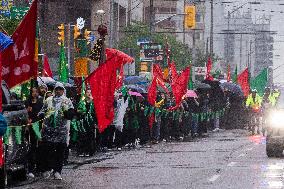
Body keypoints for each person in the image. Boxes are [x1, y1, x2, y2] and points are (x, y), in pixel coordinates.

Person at [38, 82, 74, 180]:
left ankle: (58, 171)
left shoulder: (67, 101)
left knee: (60, 152)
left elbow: (71, 115)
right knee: (48, 151)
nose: (58, 91)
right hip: (48, 132)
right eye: (56, 89)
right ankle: (47, 169)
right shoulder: (48, 100)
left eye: (60, 89)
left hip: (61, 132)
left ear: (63, 90)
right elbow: (40, 113)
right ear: (54, 90)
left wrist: (66, 112)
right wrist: (45, 114)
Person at [25, 87, 44, 178]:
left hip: (39, 127)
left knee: (39, 147)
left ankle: (40, 167)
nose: (35, 93)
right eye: (33, 92)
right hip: (30, 127)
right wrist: (27, 122)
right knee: (31, 147)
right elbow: (26, 114)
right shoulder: (27, 102)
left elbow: (43, 114)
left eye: (36, 92)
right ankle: (30, 168)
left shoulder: (41, 102)